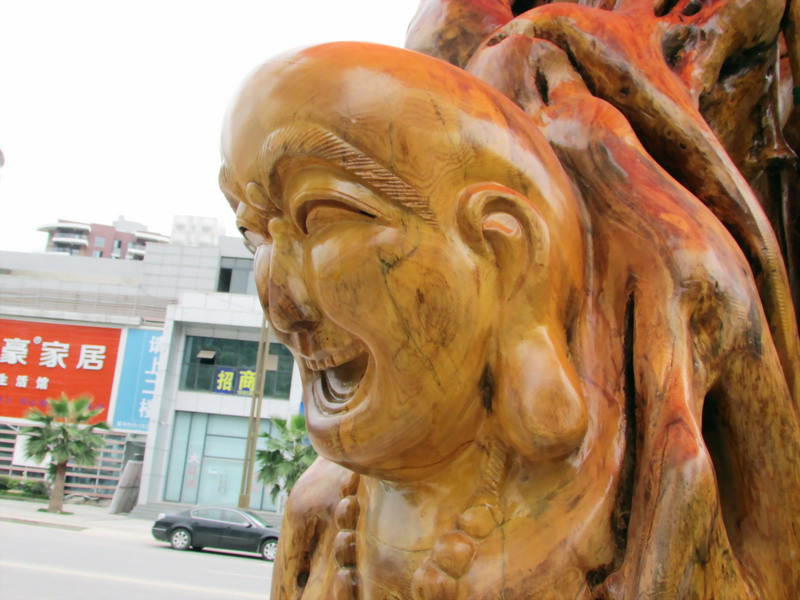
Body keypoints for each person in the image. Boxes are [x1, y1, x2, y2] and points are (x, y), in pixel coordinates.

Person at [219, 42, 800, 599]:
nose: (281, 305)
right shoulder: (320, 514)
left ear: (507, 252)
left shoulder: (638, 512)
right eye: (254, 234)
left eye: (321, 217)